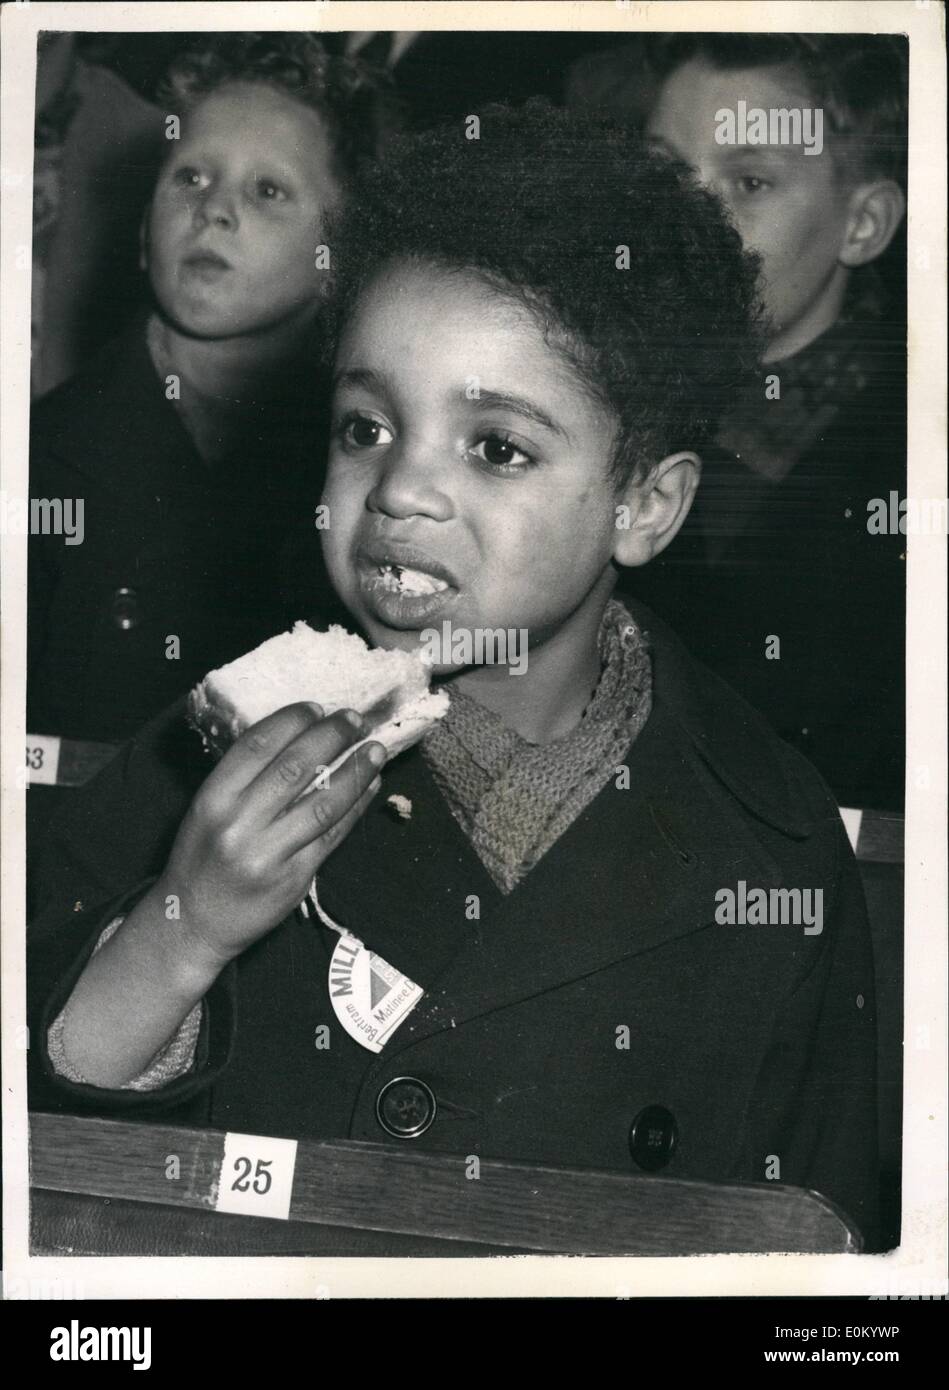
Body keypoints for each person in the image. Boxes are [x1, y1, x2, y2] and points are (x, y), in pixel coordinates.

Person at [28, 105, 881, 1251]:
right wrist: (182, 931)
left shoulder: (771, 841)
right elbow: (43, 1153)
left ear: (645, 505)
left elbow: (817, 1241)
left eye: (496, 447)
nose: (400, 492)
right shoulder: (223, 737)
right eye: (367, 426)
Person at [28, 33, 393, 749]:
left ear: (340, 256)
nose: (214, 211)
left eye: (268, 190)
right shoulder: (40, 468)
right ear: (141, 232)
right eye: (190, 178)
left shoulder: (363, 478)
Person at [621, 34, 908, 812]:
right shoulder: (598, 388)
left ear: (863, 224)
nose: (685, 217)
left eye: (749, 181)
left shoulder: (903, 469)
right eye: (665, 171)